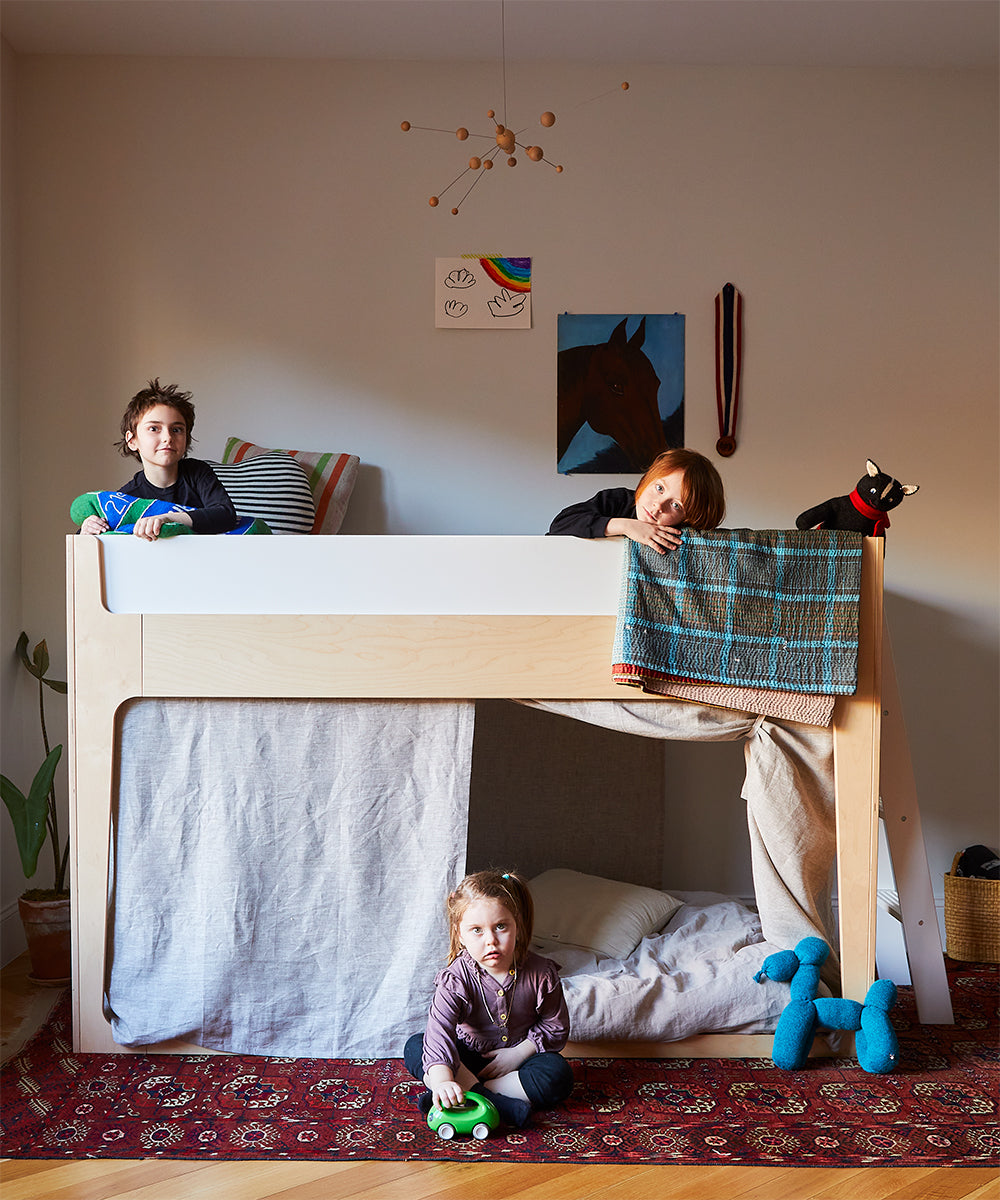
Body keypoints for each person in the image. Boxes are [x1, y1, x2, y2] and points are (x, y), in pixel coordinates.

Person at [403, 870, 574, 1129]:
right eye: (477, 931)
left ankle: (464, 1096)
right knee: (416, 1046)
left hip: (517, 1061)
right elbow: (439, 1034)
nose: (491, 941)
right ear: (460, 934)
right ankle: (494, 1103)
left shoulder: (541, 974)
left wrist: (517, 1054)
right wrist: (442, 1080)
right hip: (465, 1059)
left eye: (501, 927)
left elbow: (556, 1027)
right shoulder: (455, 979)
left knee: (557, 1074)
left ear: (517, 924)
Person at [78, 379, 238, 540]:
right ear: (132, 440)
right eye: (154, 428)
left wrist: (167, 518)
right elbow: (94, 537)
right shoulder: (128, 499)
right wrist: (87, 529)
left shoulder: (198, 473)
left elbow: (225, 514)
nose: (167, 437)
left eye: (177, 429)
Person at [548, 447, 726, 554]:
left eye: (675, 505)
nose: (658, 505)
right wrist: (627, 526)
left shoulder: (678, 536)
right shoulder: (618, 500)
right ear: (648, 479)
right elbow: (559, 525)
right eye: (659, 488)